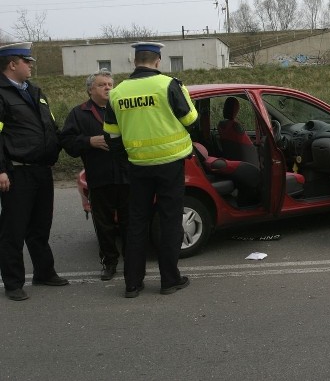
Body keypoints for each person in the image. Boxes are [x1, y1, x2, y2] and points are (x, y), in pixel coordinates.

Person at [104, 41, 198, 298]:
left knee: (136, 223)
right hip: (170, 164)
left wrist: (127, 160)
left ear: (134, 61)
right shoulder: (168, 85)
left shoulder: (117, 93)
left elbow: (111, 136)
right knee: (169, 221)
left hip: (137, 166)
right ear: (158, 60)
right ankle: (170, 280)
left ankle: (132, 284)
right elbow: (191, 120)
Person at [0, 42, 68, 301]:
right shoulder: (1, 93)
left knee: (41, 227)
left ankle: (44, 272)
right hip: (17, 171)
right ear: (12, 64)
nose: (30, 66)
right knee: (13, 230)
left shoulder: (34, 91)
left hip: (41, 169)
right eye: (27, 62)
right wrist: (1, 170)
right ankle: (14, 283)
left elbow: (50, 127)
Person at [60, 69, 129, 281]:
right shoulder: (79, 113)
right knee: (104, 224)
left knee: (130, 222)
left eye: (110, 84)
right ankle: (109, 262)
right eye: (102, 85)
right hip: (100, 178)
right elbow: (68, 143)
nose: (108, 87)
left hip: (127, 177)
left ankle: (133, 261)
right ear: (91, 89)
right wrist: (89, 141)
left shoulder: (122, 109)